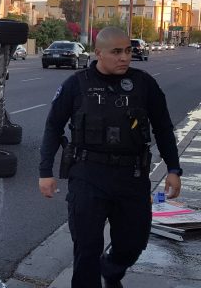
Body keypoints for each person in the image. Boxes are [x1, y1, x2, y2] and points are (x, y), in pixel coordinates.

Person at [38, 26, 183, 288]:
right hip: (87, 175)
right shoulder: (76, 85)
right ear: (99, 53)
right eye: (116, 52)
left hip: (132, 177)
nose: (124, 57)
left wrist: (173, 168)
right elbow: (53, 127)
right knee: (86, 248)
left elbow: (163, 127)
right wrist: (45, 172)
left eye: (128, 51)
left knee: (133, 242)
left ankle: (112, 268)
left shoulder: (143, 84)